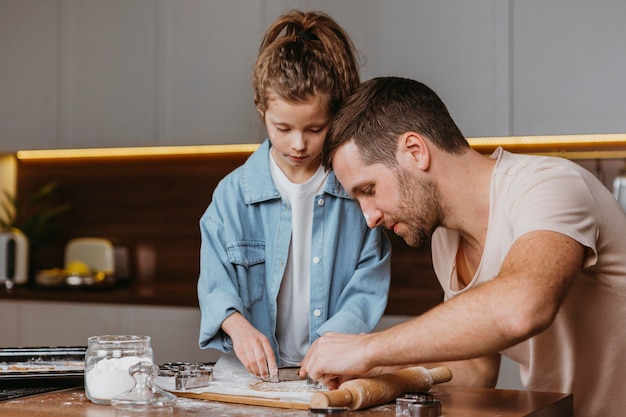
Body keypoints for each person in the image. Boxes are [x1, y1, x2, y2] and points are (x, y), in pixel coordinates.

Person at [300, 76, 626, 417]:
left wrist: (368, 348)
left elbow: (521, 308)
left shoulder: (548, 186)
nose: (368, 217)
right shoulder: (446, 239)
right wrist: (376, 371)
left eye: (369, 189)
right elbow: (475, 368)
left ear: (415, 151)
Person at [197, 11, 391, 382]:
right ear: (262, 111)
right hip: (250, 377)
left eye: (315, 129)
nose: (298, 144)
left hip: (334, 373)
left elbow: (368, 283)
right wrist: (238, 327)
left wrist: (332, 343)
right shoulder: (232, 195)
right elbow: (214, 280)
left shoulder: (358, 195)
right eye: (282, 128)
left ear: (336, 117)